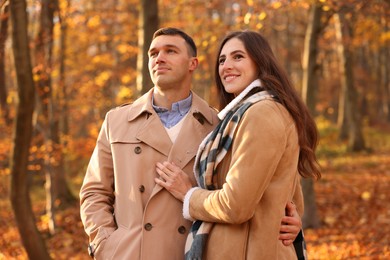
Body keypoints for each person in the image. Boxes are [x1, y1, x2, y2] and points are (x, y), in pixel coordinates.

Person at [80, 27, 302, 260]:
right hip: (130, 254)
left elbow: (275, 188)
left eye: (170, 51)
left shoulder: (219, 125)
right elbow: (94, 192)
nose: (159, 58)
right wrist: (106, 244)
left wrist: (289, 220)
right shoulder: (116, 121)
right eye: (153, 53)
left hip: (190, 253)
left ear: (192, 63)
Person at [155, 30, 321, 259]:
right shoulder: (246, 115)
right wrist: (291, 219)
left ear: (260, 62)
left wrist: (188, 195)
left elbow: (235, 206)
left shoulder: (261, 114)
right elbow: (292, 200)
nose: (226, 66)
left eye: (238, 57)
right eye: (222, 60)